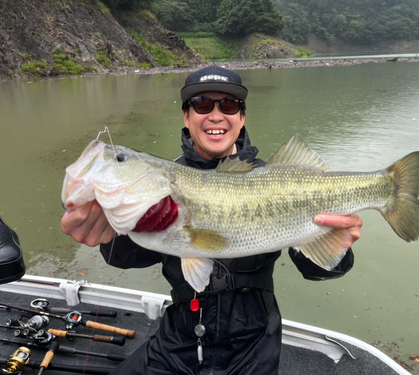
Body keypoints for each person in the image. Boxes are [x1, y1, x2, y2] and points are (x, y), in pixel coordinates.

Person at [61, 66, 363, 375]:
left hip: (253, 346)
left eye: (229, 105)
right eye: (202, 105)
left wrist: (339, 245)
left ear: (241, 118)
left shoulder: (276, 179)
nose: (216, 115)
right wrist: (110, 233)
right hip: (178, 340)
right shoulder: (161, 183)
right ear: (187, 117)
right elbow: (127, 257)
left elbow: (318, 270)